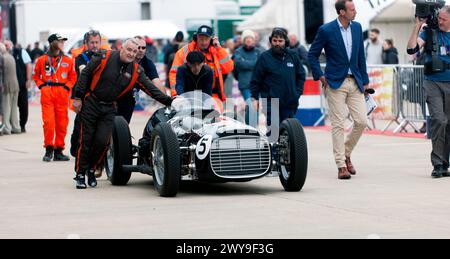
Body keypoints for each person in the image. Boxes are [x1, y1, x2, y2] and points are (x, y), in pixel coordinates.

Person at [72, 39, 173, 189]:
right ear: (121, 48)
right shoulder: (104, 57)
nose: (132, 53)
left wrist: (169, 101)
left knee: (102, 141)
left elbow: (150, 89)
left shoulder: (136, 71)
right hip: (91, 103)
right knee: (86, 140)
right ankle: (80, 174)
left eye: (135, 51)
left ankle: (92, 169)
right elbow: (85, 74)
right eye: (129, 50)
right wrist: (78, 97)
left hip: (109, 108)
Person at [308, 0, 369, 180]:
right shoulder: (326, 30)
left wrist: (365, 81)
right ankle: (341, 164)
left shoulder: (357, 28)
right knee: (338, 123)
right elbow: (312, 54)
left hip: (355, 82)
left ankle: (346, 152)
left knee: (361, 121)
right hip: (335, 82)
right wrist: (320, 75)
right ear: (342, 12)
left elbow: (360, 57)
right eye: (352, 9)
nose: (355, 12)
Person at [407, 6, 450, 178]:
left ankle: (444, 163)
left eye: (443, 19)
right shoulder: (429, 33)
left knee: (448, 124)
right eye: (438, 18)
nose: (439, 22)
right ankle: (437, 163)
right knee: (439, 119)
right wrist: (417, 26)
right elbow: (411, 49)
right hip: (432, 81)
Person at [250, 27, 306, 130]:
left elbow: (301, 75)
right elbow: (256, 79)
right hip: (271, 101)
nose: (277, 43)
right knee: (273, 133)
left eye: (280, 41)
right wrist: (254, 97)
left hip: (290, 101)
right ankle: (273, 146)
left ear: (286, 42)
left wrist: (297, 93)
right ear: (271, 41)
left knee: (289, 132)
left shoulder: (293, 55)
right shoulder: (264, 57)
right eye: (274, 41)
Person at [33, 34, 77, 162]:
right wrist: (42, 87)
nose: (63, 43)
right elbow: (36, 76)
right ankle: (48, 149)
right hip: (48, 92)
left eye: (63, 41)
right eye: (60, 41)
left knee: (62, 123)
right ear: (52, 43)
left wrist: (67, 88)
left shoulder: (68, 60)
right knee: (48, 123)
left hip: (61, 93)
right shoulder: (42, 60)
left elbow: (73, 77)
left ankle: (59, 150)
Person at [170, 25, 234, 101]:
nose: (203, 42)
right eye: (201, 39)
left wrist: (219, 49)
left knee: (215, 112)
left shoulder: (217, 51)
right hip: (188, 95)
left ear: (211, 39)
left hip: (213, 95)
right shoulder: (184, 52)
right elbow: (174, 73)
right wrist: (176, 95)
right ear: (196, 38)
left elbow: (229, 68)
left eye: (206, 39)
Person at [117, 36, 166, 124]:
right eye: (138, 47)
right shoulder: (124, 58)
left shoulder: (148, 63)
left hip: (130, 98)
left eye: (143, 47)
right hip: (114, 96)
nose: (141, 50)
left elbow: (157, 83)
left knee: (123, 125)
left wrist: (166, 101)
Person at [234, 30, 263, 126]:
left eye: (250, 38)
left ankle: (252, 128)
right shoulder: (238, 51)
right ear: (243, 40)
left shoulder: (258, 51)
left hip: (257, 84)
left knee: (256, 107)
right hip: (245, 84)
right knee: (251, 106)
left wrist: (246, 62)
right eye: (246, 38)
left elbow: (261, 65)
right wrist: (253, 63)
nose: (249, 40)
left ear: (254, 40)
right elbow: (238, 64)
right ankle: (250, 127)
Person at [4, 40, 33, 133]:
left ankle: (22, 125)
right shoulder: (3, 55)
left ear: (11, 45)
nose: (6, 47)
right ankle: (11, 126)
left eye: (7, 45)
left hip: (22, 84)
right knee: (8, 107)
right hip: (8, 85)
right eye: (5, 45)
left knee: (23, 106)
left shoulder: (20, 51)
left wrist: (28, 79)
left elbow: (28, 65)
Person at [0, 43, 21, 135]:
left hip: (6, 86)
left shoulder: (2, 58)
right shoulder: (11, 57)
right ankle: (16, 127)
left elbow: (2, 74)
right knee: (13, 108)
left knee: (6, 108)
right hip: (15, 85)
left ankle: (7, 128)